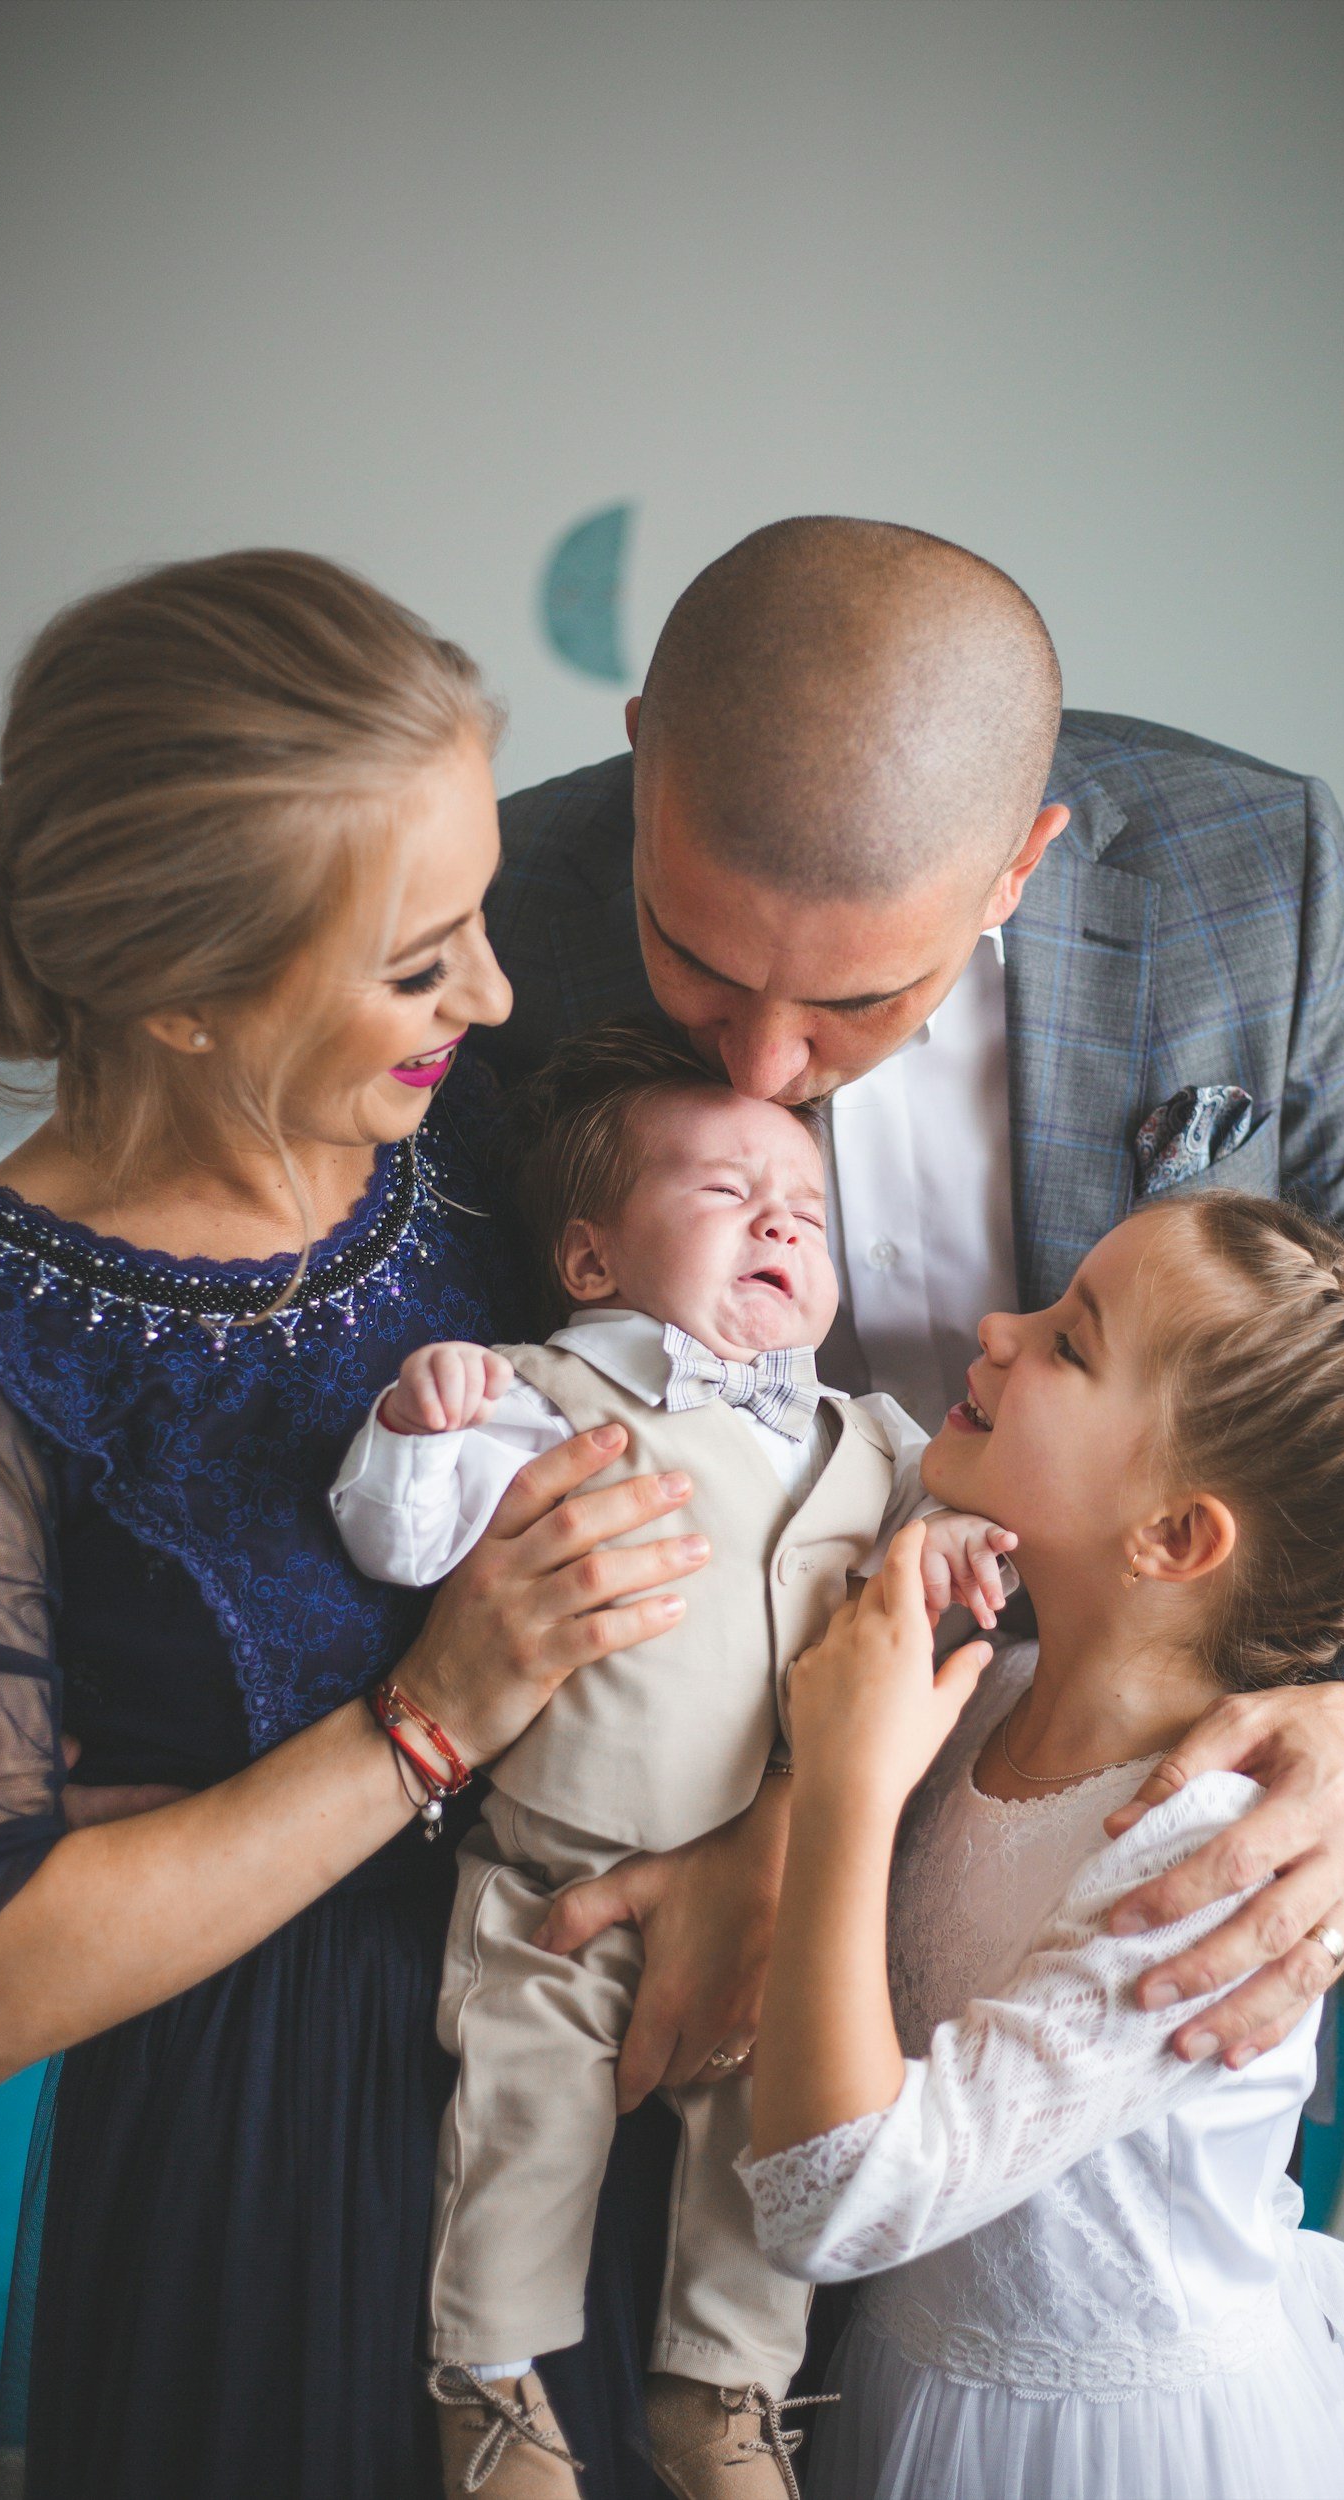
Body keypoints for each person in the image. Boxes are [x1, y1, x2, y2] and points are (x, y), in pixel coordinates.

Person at [479, 516, 1344, 2100]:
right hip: (656, 1815)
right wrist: (754, 1806)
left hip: (1106, 1823)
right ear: (645, 768)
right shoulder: (506, 912)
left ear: (1021, 863)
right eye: (694, 962)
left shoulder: (1261, 881)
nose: (757, 1069)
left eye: (855, 1000)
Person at [0, 554, 740, 2500]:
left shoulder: (489, 1152)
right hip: (275, 2162)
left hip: (601, 2072)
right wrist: (435, 1714)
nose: (487, 988)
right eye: (417, 958)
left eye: (479, 915)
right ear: (181, 998)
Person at [329, 1019, 1012, 2500]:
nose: (780, 1217)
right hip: (551, 1880)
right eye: (721, 1192)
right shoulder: (535, 1393)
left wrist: (943, 1541)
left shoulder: (868, 1435)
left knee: (769, 2157)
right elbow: (401, 1542)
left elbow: (918, 1564)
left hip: (784, 1892)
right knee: (521, 2132)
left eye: (807, 1209)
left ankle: (726, 2396)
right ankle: (494, 2395)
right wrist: (413, 1423)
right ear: (588, 1261)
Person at [741, 1191, 1344, 2499]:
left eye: (1069, 1343)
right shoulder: (992, 1692)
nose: (997, 1328)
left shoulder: (1196, 1857)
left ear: (1177, 1536)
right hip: (909, 2386)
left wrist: (847, 1782)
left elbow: (835, 2202)